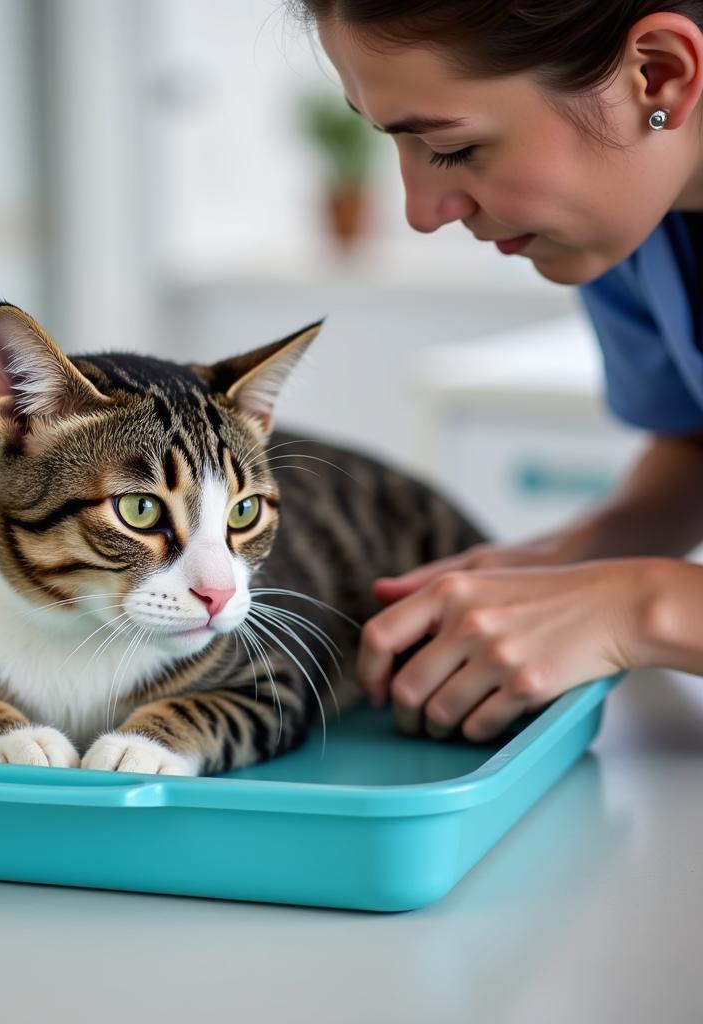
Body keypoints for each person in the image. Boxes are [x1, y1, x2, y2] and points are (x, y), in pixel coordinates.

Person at [292, 1, 703, 742]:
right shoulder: (628, 224)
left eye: (452, 150)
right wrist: (572, 558)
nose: (423, 211)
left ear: (659, 76)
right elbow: (694, 438)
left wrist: (641, 606)